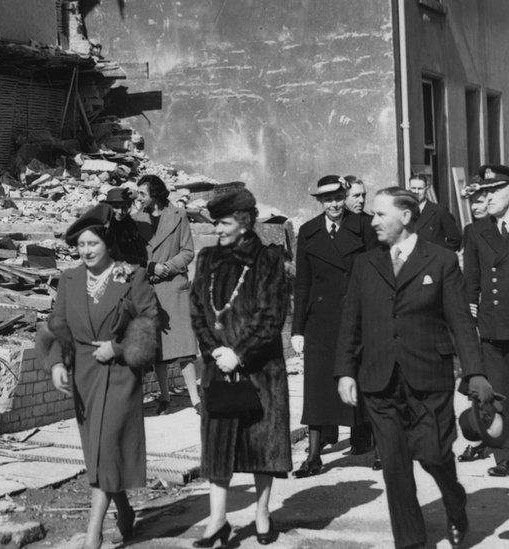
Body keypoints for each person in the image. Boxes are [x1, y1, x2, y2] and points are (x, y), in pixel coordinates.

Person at [335, 187, 494, 549]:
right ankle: (411, 542)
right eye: (372, 214)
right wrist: (345, 370)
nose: (372, 221)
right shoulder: (365, 262)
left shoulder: (440, 260)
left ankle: (454, 501)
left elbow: (459, 322)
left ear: (405, 217)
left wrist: (476, 372)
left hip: (428, 376)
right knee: (395, 467)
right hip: (379, 379)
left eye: (380, 214)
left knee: (434, 455)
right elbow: (351, 322)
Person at [41, 204, 159, 549]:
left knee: (106, 447)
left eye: (92, 244)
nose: (86, 251)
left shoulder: (132, 276)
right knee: (97, 451)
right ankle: (123, 508)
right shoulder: (70, 278)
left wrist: (118, 348)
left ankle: (93, 534)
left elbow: (150, 323)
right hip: (84, 376)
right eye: (80, 245)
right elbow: (57, 324)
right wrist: (57, 364)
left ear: (107, 244)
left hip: (120, 376)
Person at [190, 187, 291, 547]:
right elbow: (197, 311)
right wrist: (216, 351)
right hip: (218, 368)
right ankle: (218, 520)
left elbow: (272, 315)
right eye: (215, 222)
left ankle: (262, 513)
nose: (217, 228)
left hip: (261, 369)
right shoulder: (206, 260)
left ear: (245, 223)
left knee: (263, 445)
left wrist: (241, 353)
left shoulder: (268, 260)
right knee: (217, 445)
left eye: (224, 222)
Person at [291, 175, 377, 478]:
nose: (334, 204)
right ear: (319, 202)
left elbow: (377, 273)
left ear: (345, 195)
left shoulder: (365, 227)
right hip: (321, 321)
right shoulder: (308, 231)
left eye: (338, 197)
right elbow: (302, 284)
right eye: (327, 200)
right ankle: (314, 456)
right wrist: (297, 329)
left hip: (358, 317)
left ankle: (378, 447)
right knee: (317, 386)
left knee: (366, 380)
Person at [134, 175, 202, 415]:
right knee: (159, 350)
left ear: (155, 194)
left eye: (142, 193)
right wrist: (153, 268)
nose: (138, 197)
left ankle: (195, 399)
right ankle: (164, 397)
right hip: (150, 289)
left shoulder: (179, 216)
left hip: (174, 287)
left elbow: (188, 251)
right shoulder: (136, 220)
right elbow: (136, 256)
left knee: (184, 347)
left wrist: (168, 267)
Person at [462, 164, 509, 476]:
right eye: (484, 191)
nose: (487, 196)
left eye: (494, 190)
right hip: (493, 326)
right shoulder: (477, 231)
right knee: (497, 393)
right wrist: (468, 312)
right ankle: (503, 456)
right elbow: (472, 281)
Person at [408, 177, 462, 251]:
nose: (416, 192)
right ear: (409, 188)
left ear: (426, 189)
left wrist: (441, 257)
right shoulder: (404, 211)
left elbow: (455, 239)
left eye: (420, 188)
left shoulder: (439, 211)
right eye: (413, 188)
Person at [100, 187, 148, 267]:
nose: (121, 212)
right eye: (116, 207)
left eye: (124, 207)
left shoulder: (131, 225)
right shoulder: (101, 226)